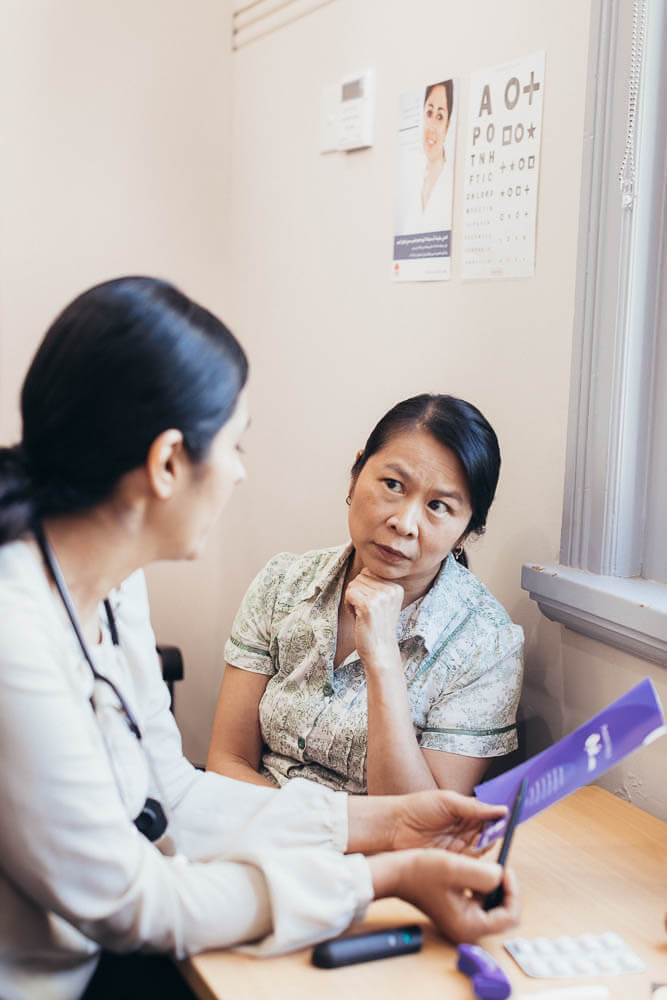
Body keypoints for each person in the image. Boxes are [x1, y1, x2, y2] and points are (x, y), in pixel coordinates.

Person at [0, 277, 519, 1000]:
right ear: (169, 461)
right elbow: (134, 904)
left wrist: (389, 820)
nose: (241, 473)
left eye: (439, 506)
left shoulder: (113, 582)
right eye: (235, 445)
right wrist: (382, 875)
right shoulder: (13, 636)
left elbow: (171, 794)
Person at [208, 394, 523, 796]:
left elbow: (421, 820)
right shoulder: (282, 584)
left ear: (465, 531)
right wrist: (304, 835)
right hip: (255, 826)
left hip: (376, 855)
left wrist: (383, 660)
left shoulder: (487, 645)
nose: (404, 523)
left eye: (438, 506)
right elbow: (226, 763)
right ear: (356, 475)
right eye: (393, 485)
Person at [397, 80, 455, 236]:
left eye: (440, 116)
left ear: (447, 126)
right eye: (429, 113)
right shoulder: (413, 180)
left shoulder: (452, 184)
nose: (431, 127)